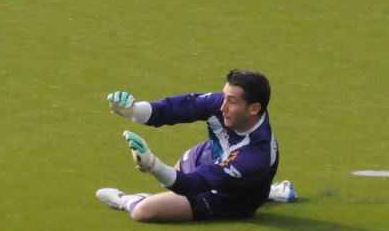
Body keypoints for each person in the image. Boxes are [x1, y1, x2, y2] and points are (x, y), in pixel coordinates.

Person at [96, 69, 282, 222]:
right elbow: (177, 108)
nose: (222, 106)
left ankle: (128, 200)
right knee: (174, 178)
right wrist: (133, 111)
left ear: (254, 108)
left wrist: (152, 165)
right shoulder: (224, 105)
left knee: (143, 212)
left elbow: (190, 185)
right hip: (212, 155)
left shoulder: (255, 156)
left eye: (231, 101)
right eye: (225, 96)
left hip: (228, 198)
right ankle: (268, 190)